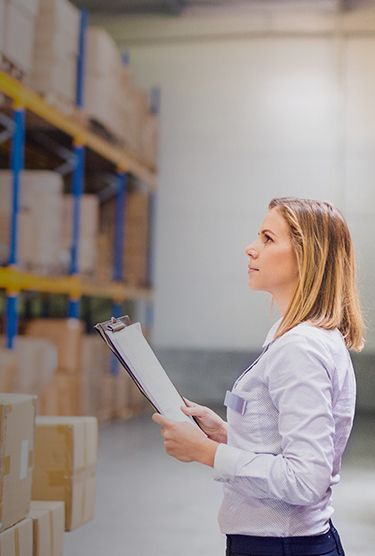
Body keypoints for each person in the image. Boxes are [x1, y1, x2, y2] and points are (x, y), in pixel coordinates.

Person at [152, 197, 364, 556]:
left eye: (268, 238)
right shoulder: (290, 331)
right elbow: (282, 439)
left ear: (306, 255)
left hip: (282, 546)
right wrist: (225, 434)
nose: (251, 249)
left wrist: (207, 453)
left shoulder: (301, 348)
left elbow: (305, 479)